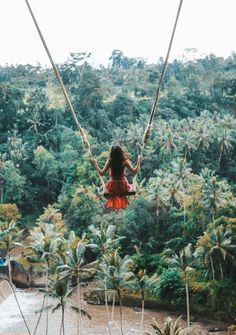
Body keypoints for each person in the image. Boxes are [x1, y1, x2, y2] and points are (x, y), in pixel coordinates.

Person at [92, 145, 143, 209]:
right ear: (121, 152)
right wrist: (139, 161)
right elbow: (134, 171)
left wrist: (95, 164)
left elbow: (101, 173)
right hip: (123, 186)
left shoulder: (110, 161)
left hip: (112, 187)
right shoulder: (125, 161)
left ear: (112, 153)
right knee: (124, 185)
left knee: (112, 186)